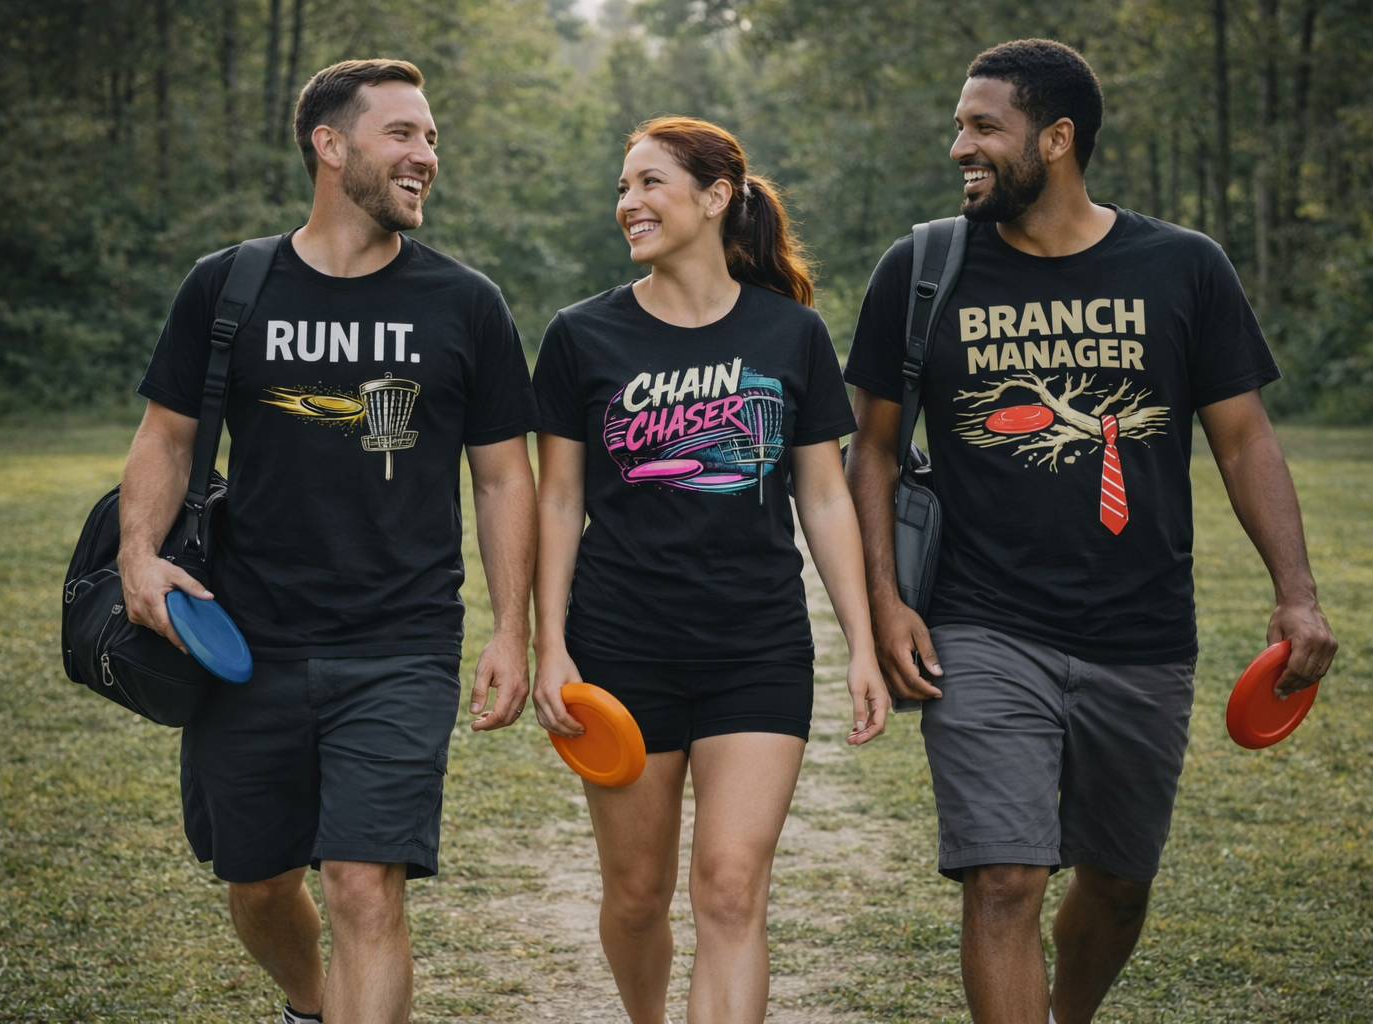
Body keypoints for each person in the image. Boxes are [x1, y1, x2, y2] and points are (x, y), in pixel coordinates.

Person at [843, 39, 1338, 1024]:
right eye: (958, 124)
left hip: (1142, 630)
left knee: (1117, 884)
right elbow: (874, 448)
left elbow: (1242, 442)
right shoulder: (925, 267)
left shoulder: (1183, 266)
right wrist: (887, 603)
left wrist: (1296, 591)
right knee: (1004, 877)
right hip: (981, 623)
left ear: (1056, 139)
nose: (960, 146)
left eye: (983, 125)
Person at [118, 59, 540, 1024]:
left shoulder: (465, 304)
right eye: (404, 134)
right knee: (259, 886)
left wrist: (509, 629)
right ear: (331, 145)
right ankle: (313, 1008)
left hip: (401, 643)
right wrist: (139, 553)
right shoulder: (228, 287)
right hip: (243, 638)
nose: (426, 157)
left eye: (431, 138)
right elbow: (168, 435)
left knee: (361, 883)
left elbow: (505, 475)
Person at [531, 116, 889, 1024]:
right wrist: (548, 646)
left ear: (716, 195)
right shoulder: (581, 335)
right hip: (620, 649)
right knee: (638, 894)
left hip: (757, 648)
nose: (629, 204)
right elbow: (555, 500)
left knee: (731, 890)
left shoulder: (792, 333)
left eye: (650, 183)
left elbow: (827, 495)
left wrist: (861, 644)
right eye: (623, 187)